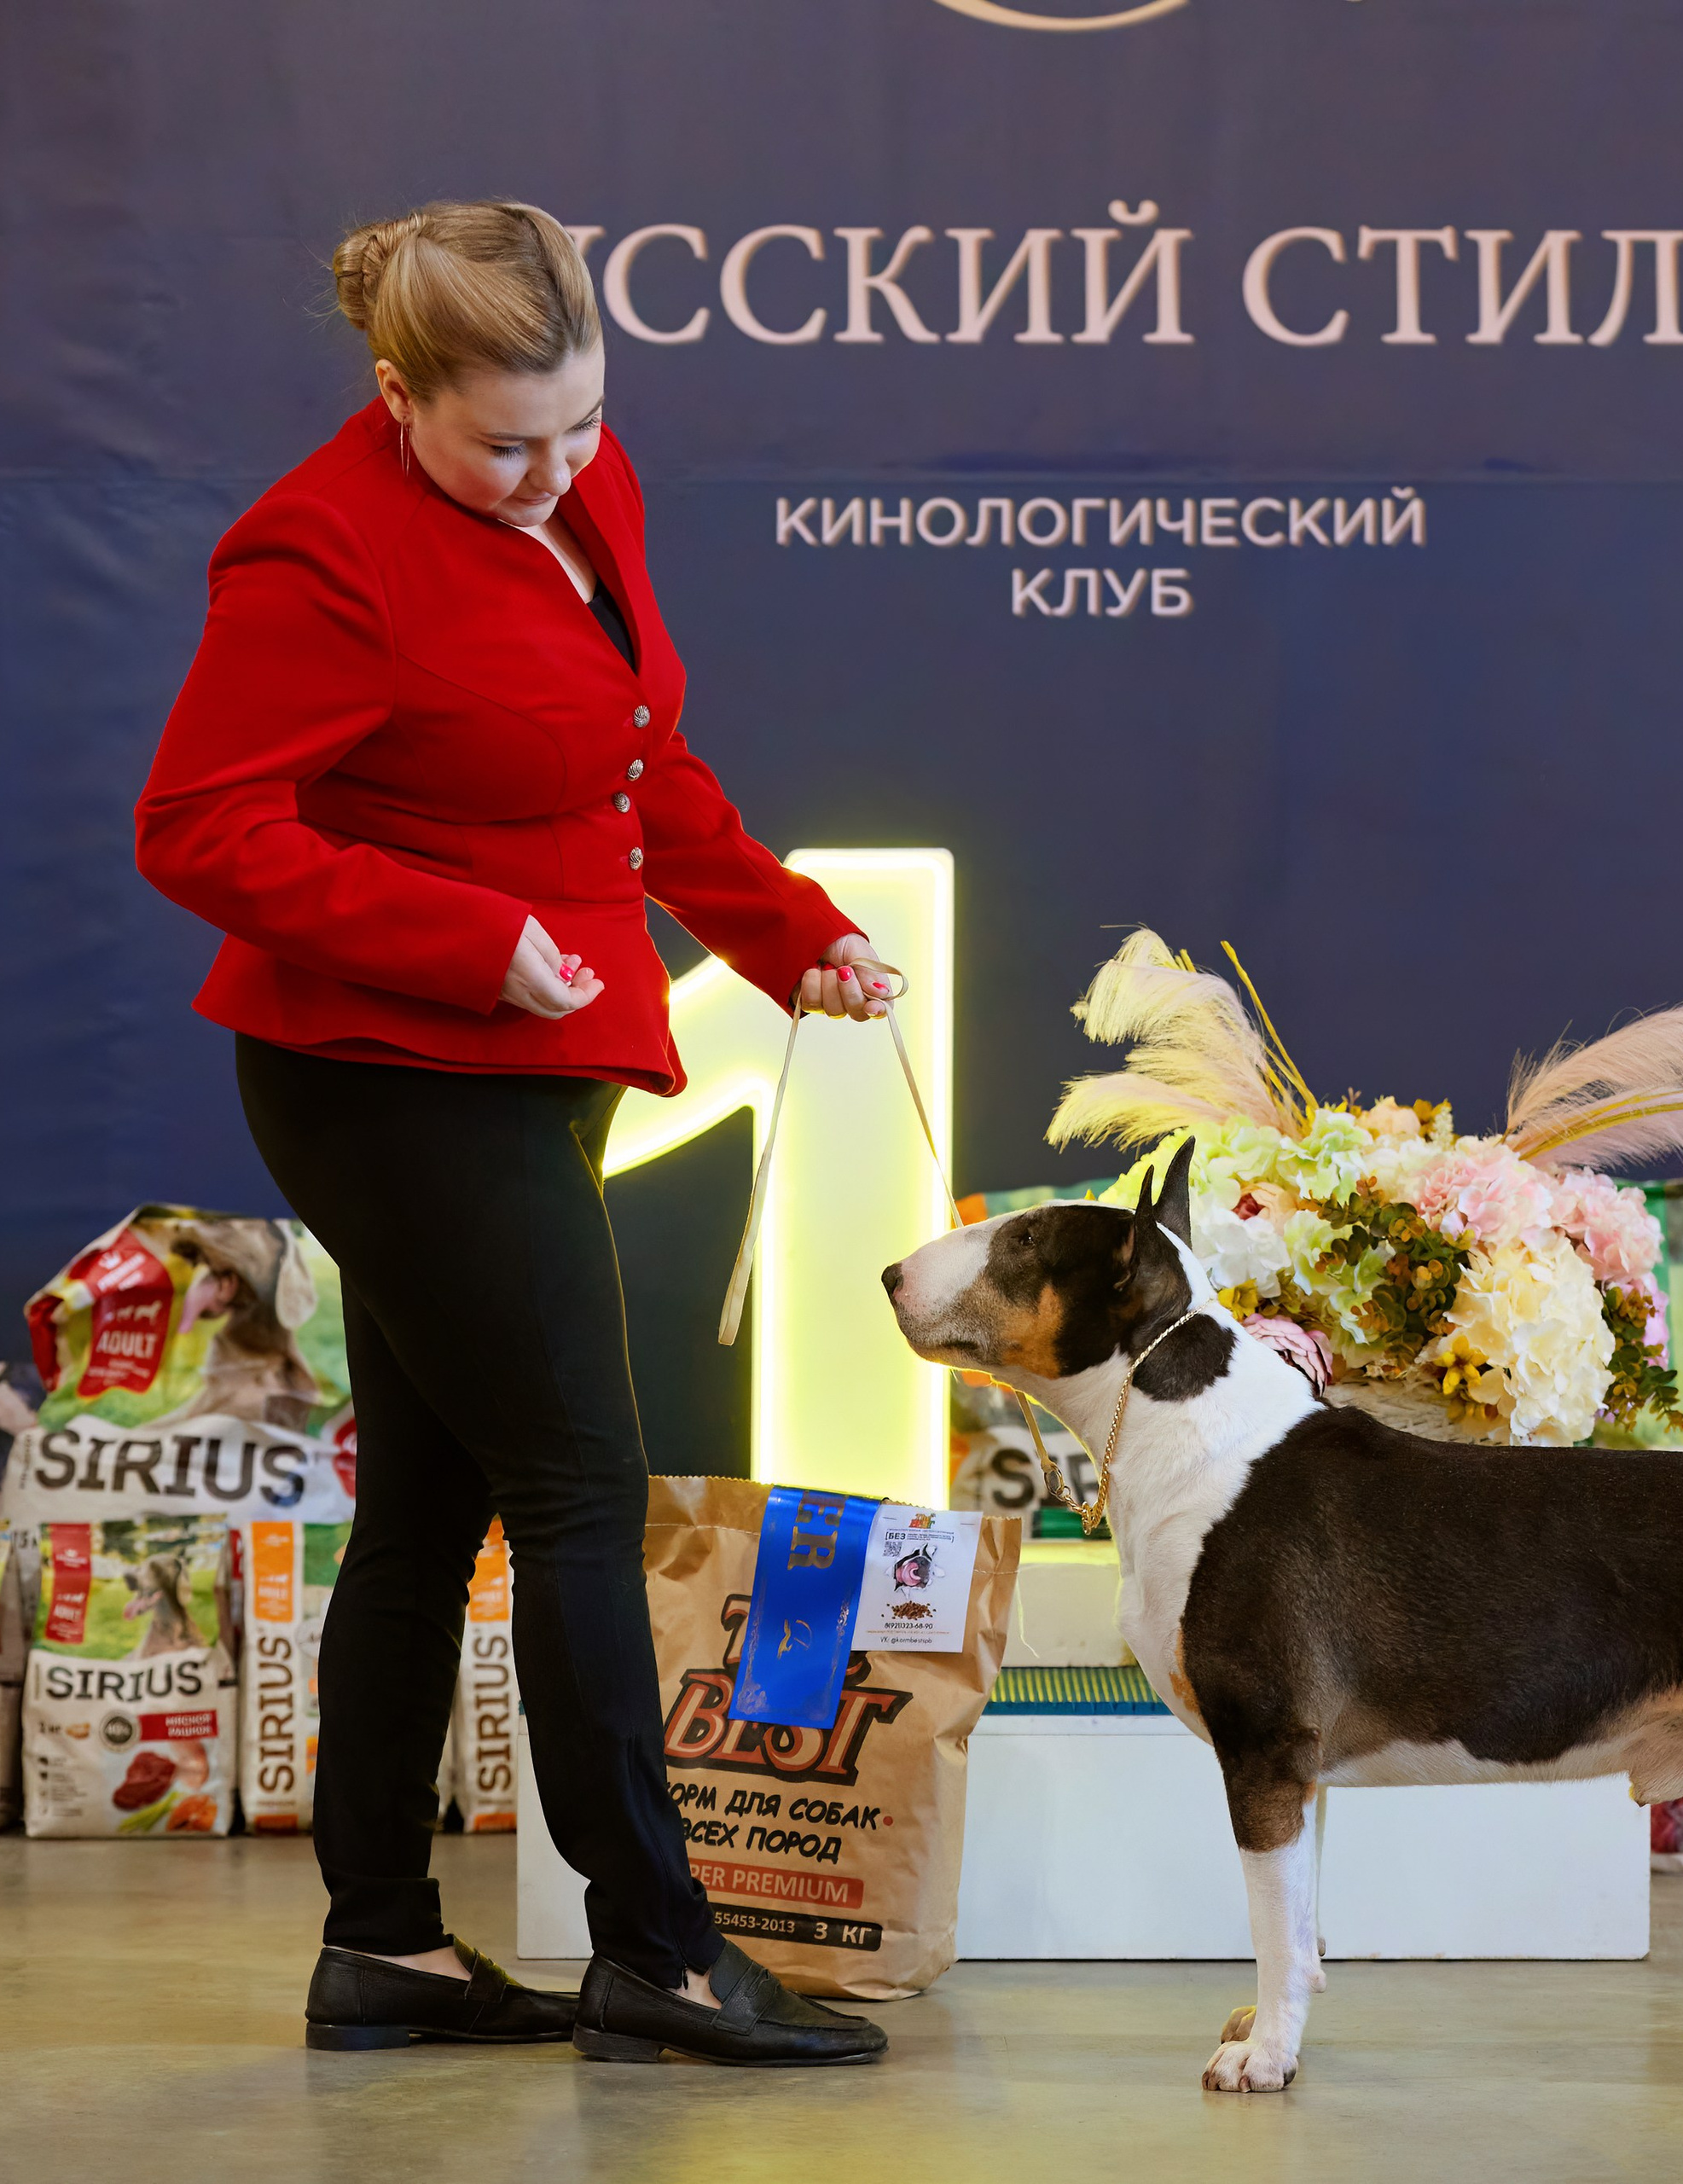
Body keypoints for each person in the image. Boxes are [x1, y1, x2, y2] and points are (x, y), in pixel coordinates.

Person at [136, 200, 888, 2068]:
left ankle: (381, 1944)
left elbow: (641, 763)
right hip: (387, 1078)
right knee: (572, 1490)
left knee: (432, 1505)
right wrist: (477, 942)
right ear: (396, 395)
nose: (557, 472)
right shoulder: (314, 550)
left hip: (526, 1068)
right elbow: (199, 828)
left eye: (584, 423)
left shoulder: (578, 486)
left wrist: (795, 935)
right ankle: (658, 1941)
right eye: (505, 443)